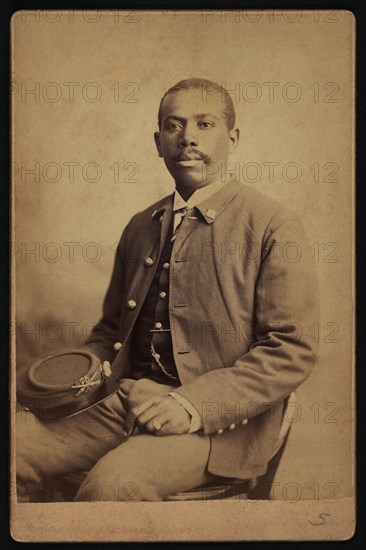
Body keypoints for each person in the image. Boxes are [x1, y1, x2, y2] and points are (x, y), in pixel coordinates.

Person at [16, 78, 319, 502]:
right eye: (174, 126)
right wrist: (62, 384)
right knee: (12, 450)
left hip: (218, 427)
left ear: (232, 138)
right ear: (159, 142)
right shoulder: (141, 225)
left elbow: (291, 349)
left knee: (111, 489)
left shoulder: (272, 224)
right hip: (124, 401)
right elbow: (109, 334)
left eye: (205, 124)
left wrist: (192, 405)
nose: (188, 137)